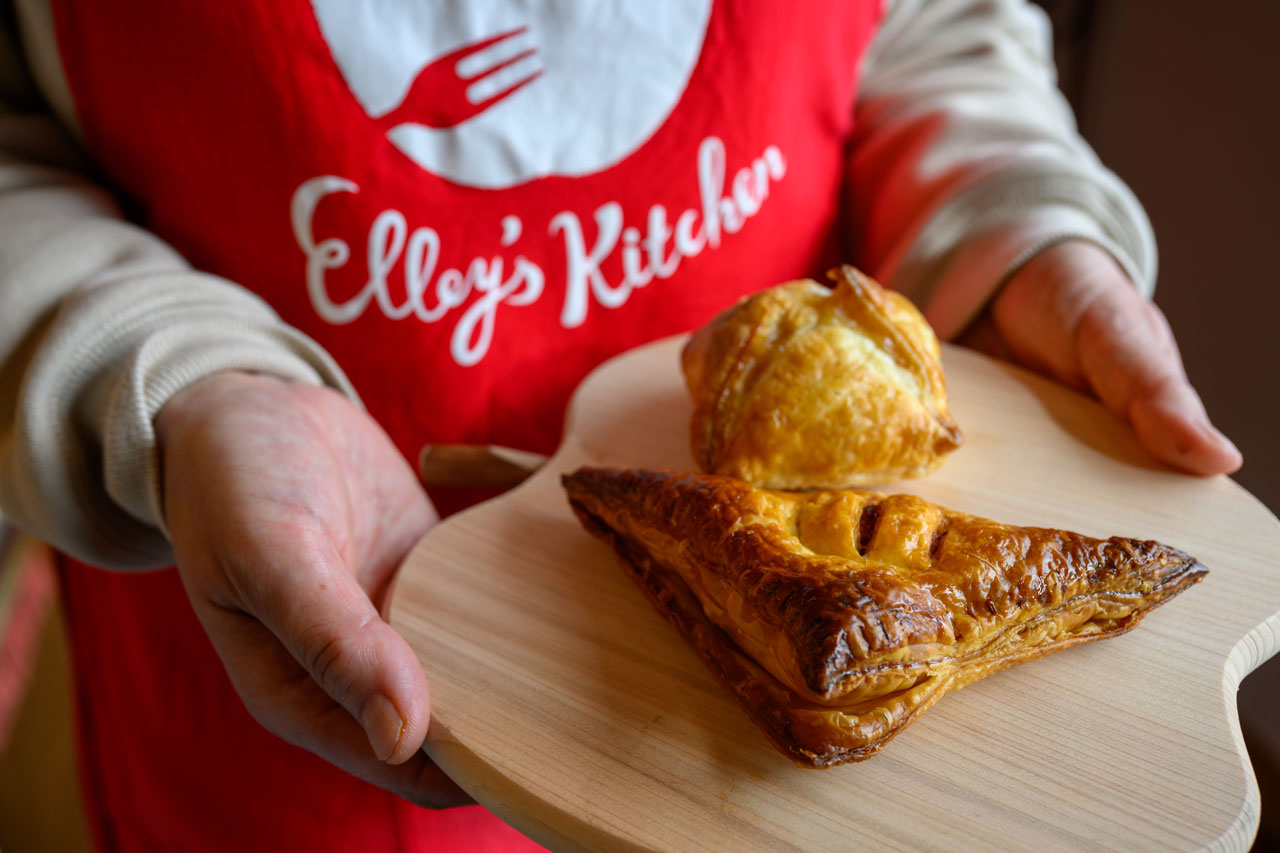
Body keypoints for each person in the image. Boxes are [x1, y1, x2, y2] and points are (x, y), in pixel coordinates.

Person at [0, 0, 1242, 849]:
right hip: (274, 686)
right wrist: (173, 384)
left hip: (776, 779)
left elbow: (930, 30)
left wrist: (1012, 221)